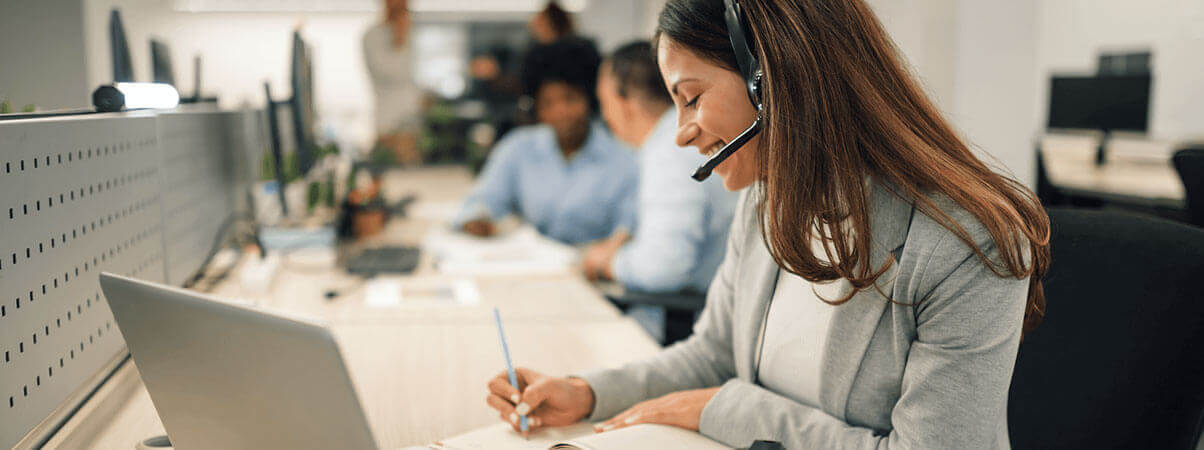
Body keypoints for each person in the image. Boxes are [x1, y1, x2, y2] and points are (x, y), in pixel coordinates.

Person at [484, 0, 1052, 448]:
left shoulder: (962, 243)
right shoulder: (767, 203)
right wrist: (587, 393)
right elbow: (712, 354)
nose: (681, 133)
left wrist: (723, 410)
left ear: (772, 81)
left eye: (691, 98)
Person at [582, 41, 738, 342]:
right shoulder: (676, 139)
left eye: (604, 103)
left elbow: (664, 267)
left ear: (624, 102)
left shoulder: (671, 150)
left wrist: (607, 263)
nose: (606, 117)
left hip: (685, 326)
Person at [453, 38, 638, 246]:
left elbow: (629, 229)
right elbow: (482, 200)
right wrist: (478, 219)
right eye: (547, 103)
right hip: (532, 265)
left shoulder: (623, 158)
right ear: (536, 108)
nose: (560, 112)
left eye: (570, 98)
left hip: (596, 271)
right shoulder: (519, 147)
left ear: (590, 99)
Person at [362, 0, 424, 164]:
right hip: (389, 128)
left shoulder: (419, 32)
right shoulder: (372, 35)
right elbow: (394, 74)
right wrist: (400, 40)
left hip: (417, 128)